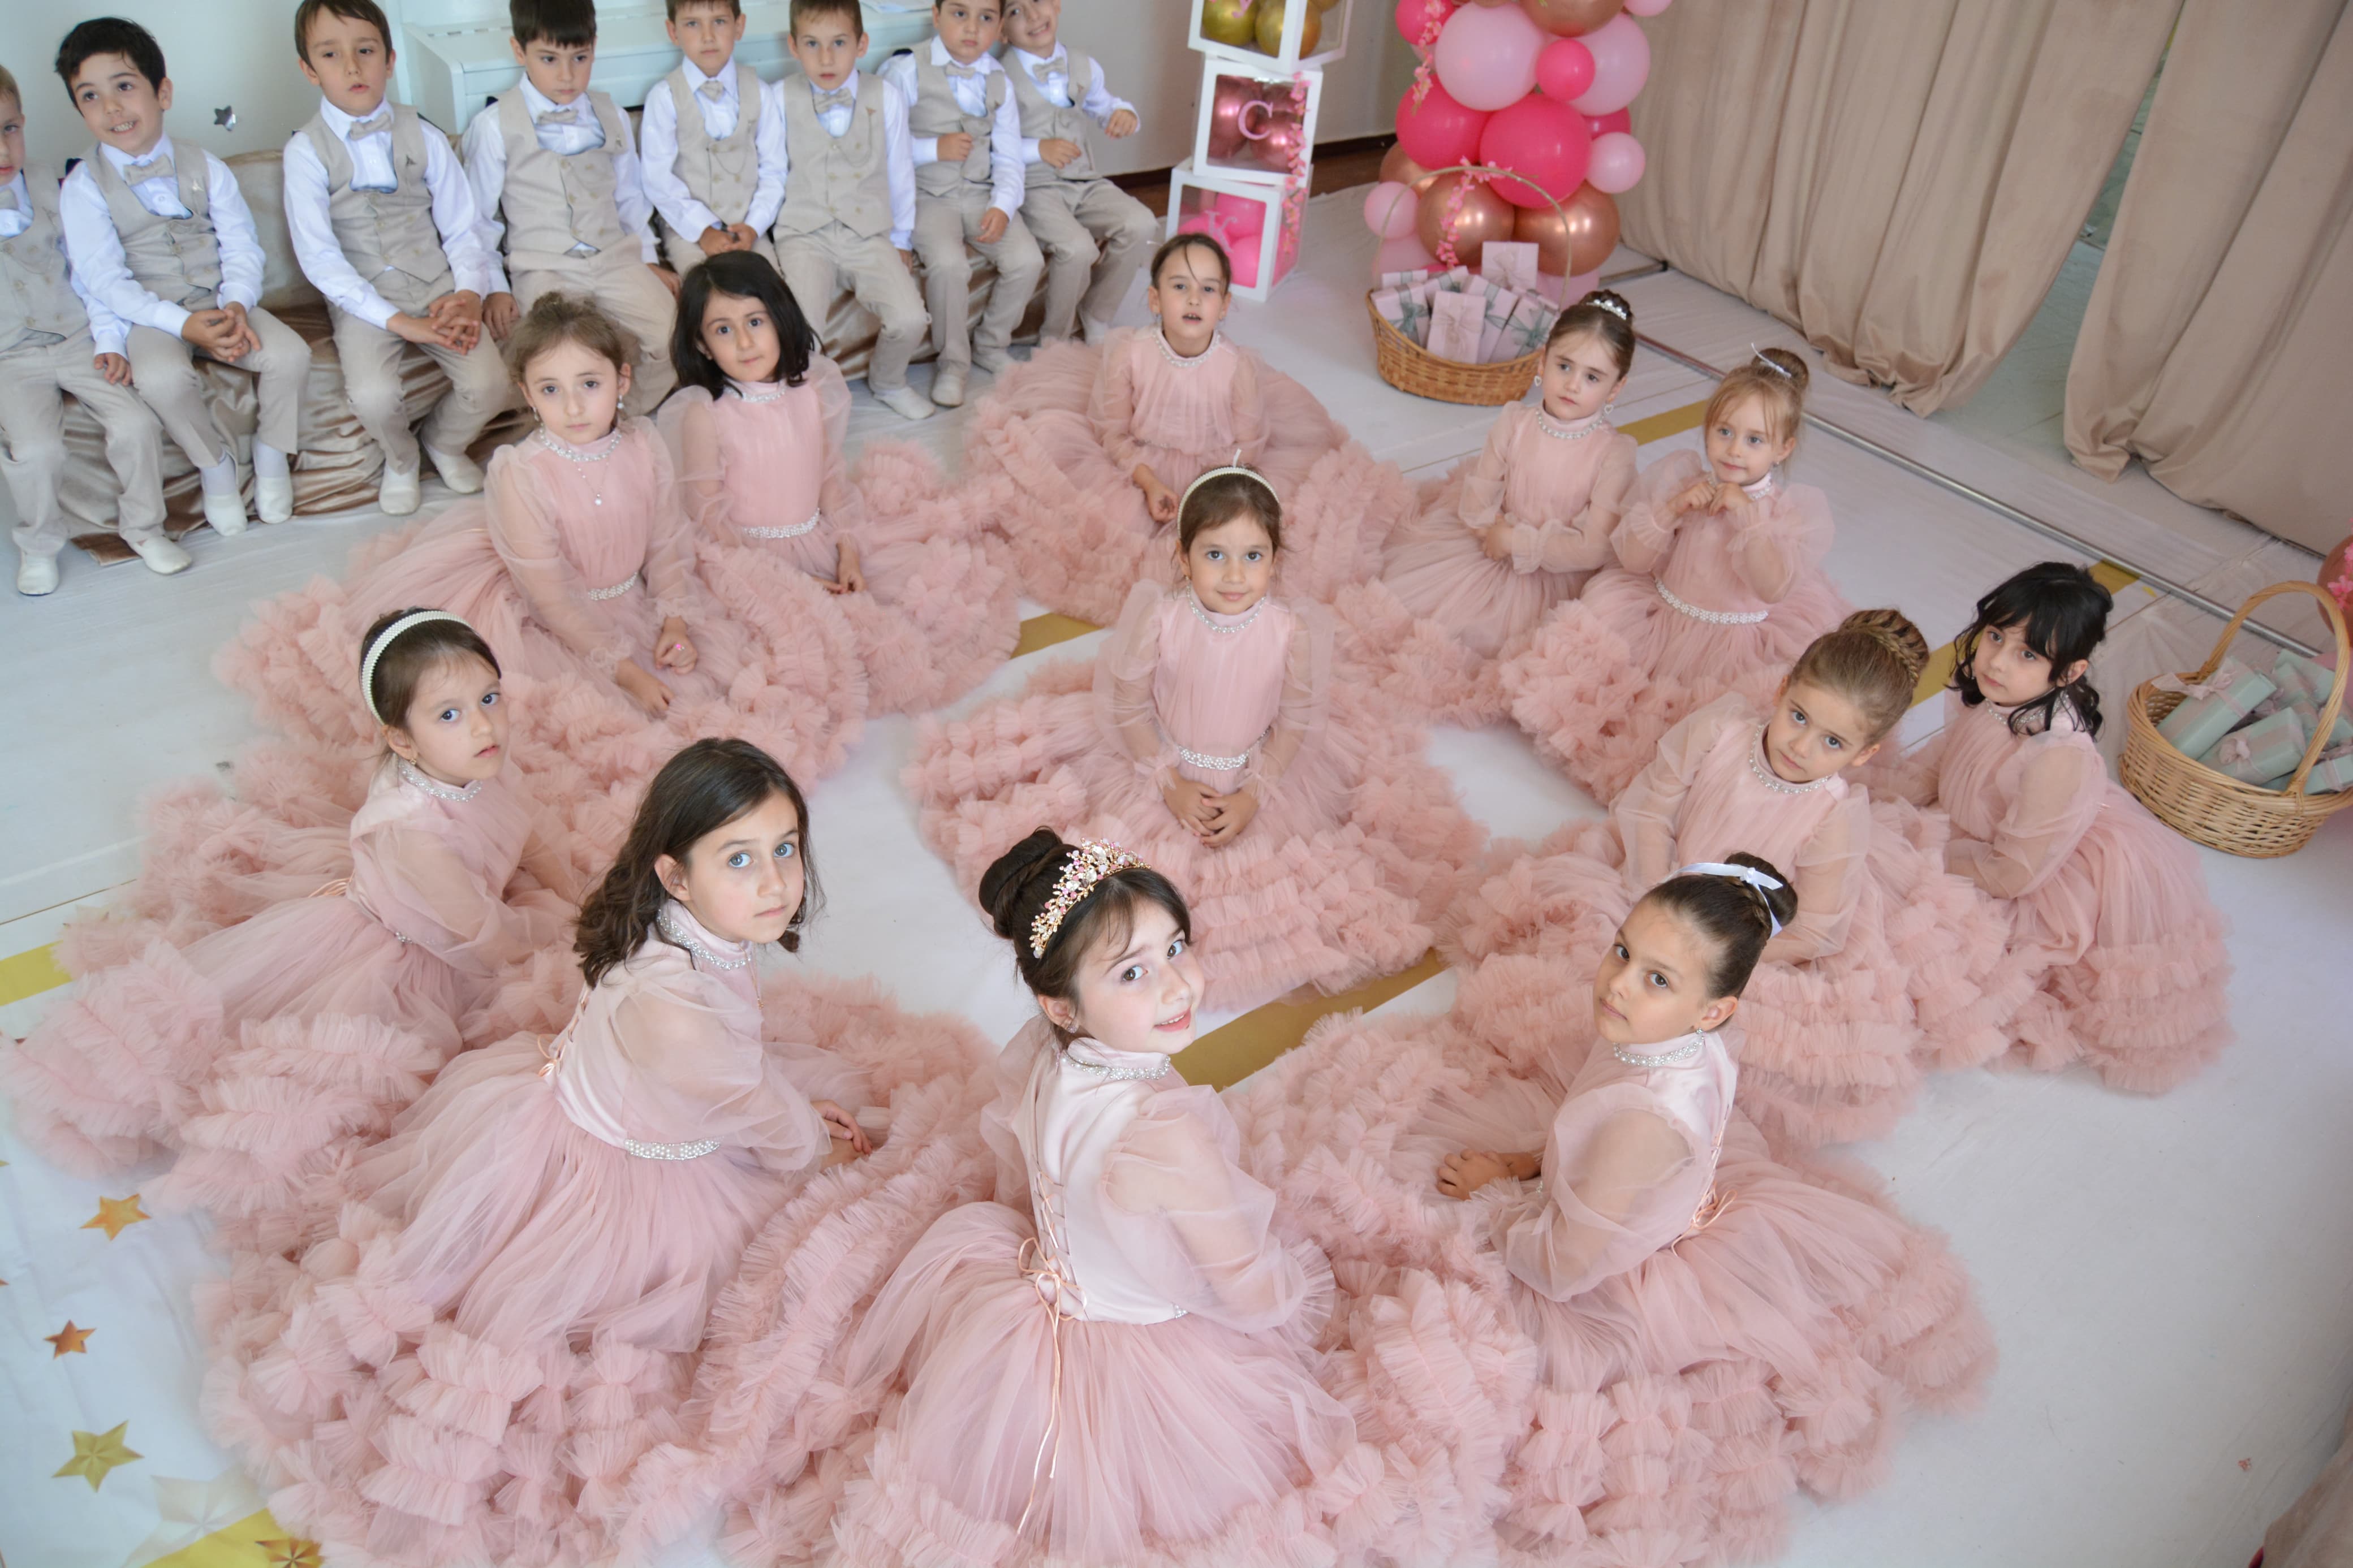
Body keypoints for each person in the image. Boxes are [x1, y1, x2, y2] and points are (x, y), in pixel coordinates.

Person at [202, 740, 883, 1567]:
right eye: (739, 859)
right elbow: (758, 1112)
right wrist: (814, 1148)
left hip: (578, 1101)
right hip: (626, 1170)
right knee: (777, 1281)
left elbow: (736, 1074)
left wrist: (784, 1101)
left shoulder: (668, 929)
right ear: (675, 876)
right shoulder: (677, 1016)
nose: (775, 881)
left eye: (785, 848)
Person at [1235, 859, 1995, 1564]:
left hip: (1589, 1256)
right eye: (1623, 951)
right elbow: (1585, 1126)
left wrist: (1491, 1205)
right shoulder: (1669, 1041)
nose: (1619, 986)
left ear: (1714, 1008)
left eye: (1657, 978)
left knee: (1403, 1305)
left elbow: (1561, 1269)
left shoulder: (1640, 1125)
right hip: (1616, 1187)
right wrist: (1524, 1160)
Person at [725, 828, 1386, 1568]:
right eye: (1132, 973)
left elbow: (1029, 1173)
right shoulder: (1167, 1134)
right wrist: (1291, 1290)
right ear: (1063, 1006)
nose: (1176, 986)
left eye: (1175, 948)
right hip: (1133, 1354)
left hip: (1041, 1301)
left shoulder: (1047, 1054)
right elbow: (1248, 1291)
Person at [3, 611, 578, 1241]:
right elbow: (487, 942)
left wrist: (571, 888)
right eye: (449, 713)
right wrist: (568, 931)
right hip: (411, 948)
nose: (484, 725)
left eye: (490, 698)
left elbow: (525, 826)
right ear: (403, 742)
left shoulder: (476, 759)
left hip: (455, 913)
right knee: (326, 1073)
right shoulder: (416, 837)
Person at [217, 292, 866, 826]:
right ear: (527, 395)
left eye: (590, 384)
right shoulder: (520, 471)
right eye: (550, 390)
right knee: (591, 743)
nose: (574, 406)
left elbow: (666, 541)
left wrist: (672, 617)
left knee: (728, 682)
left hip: (631, 596)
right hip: (553, 614)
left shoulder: (643, 442)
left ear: (622, 381)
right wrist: (623, 670)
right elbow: (551, 598)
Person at [909, 464, 1483, 1010]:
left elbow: (1294, 723)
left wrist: (1254, 793)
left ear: (1275, 559)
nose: (1234, 574)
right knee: (1122, 886)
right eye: (1215, 554)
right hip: (1158, 761)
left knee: (1280, 891)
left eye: (1253, 555)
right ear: (1183, 558)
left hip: (1254, 770)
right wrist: (1169, 782)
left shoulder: (1289, 632)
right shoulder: (1162, 619)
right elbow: (1128, 706)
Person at [1451, 610, 2026, 1148]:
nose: (1801, 746)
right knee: (1589, 963)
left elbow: (1815, 930)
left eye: (1832, 742)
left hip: (1745, 934)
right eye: (1798, 716)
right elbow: (1650, 808)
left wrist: (1713, 951)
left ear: (1863, 753)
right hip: (1665, 881)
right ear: (1781, 691)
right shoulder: (1719, 729)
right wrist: (1658, 900)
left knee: (1713, 1028)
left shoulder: (1832, 817)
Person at [1878, 561, 2234, 1090]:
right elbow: (1943, 760)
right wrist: (1883, 803)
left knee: (1914, 949)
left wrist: (1918, 846)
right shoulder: (1999, 694)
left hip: (2026, 865)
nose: (1996, 661)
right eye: (1995, 636)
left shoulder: (2056, 754)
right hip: (1981, 833)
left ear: (2068, 673)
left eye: (2028, 654)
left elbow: (2011, 874)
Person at [965, 232, 1403, 624]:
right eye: (1180, 287)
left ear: (1224, 304)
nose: (1194, 300)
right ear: (1155, 299)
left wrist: (1206, 492)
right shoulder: (1129, 354)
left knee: (1268, 530)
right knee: (1090, 524)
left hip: (1217, 467)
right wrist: (1148, 480)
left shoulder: (1237, 368)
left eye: (1208, 289)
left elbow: (1247, 447)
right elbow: (1112, 431)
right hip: (1141, 461)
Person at [662, 248, 1018, 712]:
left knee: (907, 613)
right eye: (723, 330)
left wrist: (847, 548)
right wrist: (790, 578)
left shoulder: (810, 389)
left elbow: (828, 478)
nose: (745, 342)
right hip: (746, 558)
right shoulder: (706, 414)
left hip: (817, 539)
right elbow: (710, 519)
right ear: (703, 345)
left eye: (755, 321)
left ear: (780, 319)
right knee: (798, 652)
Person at [1501, 347, 1848, 804]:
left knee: (1699, 740)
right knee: (1591, 686)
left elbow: (1771, 587)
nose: (1734, 450)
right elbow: (1634, 560)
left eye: (1755, 440)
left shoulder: (1784, 513)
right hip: (1659, 616)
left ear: (1783, 448)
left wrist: (1748, 518)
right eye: (1724, 432)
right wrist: (1671, 510)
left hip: (1732, 641)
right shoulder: (1685, 480)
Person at [57, 16, 311, 540]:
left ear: (163, 93)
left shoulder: (207, 165)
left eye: (124, 87)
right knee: (162, 379)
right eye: (91, 96)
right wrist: (179, 324)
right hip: (151, 314)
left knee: (291, 354)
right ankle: (215, 465)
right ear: (80, 110)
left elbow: (242, 246)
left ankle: (271, 453)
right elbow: (105, 279)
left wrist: (237, 303)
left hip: (219, 298)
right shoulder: (83, 187)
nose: (112, 108)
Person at [1336, 290, 1640, 725]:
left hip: (1555, 570)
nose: (1573, 384)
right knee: (1417, 611)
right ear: (1542, 362)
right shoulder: (1516, 422)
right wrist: (1488, 529)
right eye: (1564, 366)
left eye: (1593, 377)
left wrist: (1518, 542)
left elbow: (1593, 546)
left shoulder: (1613, 453)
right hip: (1490, 544)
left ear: (1617, 387)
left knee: (1495, 648)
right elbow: (1479, 494)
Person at [283, 0, 507, 515]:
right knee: (373, 395)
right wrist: (399, 322)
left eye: (365, 51)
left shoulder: (425, 135)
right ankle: (401, 459)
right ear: (309, 70)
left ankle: (443, 443)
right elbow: (320, 258)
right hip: (363, 295)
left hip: (436, 283)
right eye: (331, 55)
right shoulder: (305, 152)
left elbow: (462, 227)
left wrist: (469, 293)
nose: (352, 67)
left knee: (490, 383)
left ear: (389, 60)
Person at [461, 0, 679, 414]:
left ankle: (622, 421)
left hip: (615, 258)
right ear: (519, 51)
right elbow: (478, 220)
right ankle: (572, 428)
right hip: (543, 266)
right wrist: (495, 287)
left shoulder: (611, 114)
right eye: (549, 59)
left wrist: (648, 259)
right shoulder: (493, 126)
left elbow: (629, 197)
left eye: (580, 58)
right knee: (554, 354)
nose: (566, 75)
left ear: (594, 47)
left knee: (673, 336)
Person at [0, 63, 169, 591]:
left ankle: (145, 528)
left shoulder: (55, 186)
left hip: (77, 338)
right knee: (37, 451)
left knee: (136, 424)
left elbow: (90, 273)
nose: (3, 150)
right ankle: (39, 544)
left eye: (9, 129)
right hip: (11, 355)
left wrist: (108, 338)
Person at [769, 0, 934, 421]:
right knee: (801, 328)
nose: (826, 58)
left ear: (862, 45)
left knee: (911, 318)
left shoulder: (887, 96)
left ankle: (889, 381)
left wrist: (900, 238)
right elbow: (771, 173)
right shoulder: (779, 97)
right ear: (793, 46)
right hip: (805, 233)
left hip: (867, 232)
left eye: (839, 43)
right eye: (812, 44)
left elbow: (900, 172)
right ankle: (802, 402)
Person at [998, 0, 1154, 348]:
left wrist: (1123, 114)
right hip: (1034, 186)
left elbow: (1105, 105)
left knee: (1141, 223)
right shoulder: (999, 78)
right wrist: (1037, 149)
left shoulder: (1084, 64)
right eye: (1016, 11)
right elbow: (989, 144)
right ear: (1001, 31)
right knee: (1077, 248)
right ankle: (1053, 337)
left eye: (1038, 2)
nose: (1033, 16)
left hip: (1083, 179)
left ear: (1056, 5)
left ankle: (1097, 312)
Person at [638, 0, 786, 276]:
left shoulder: (760, 93)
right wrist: (703, 230)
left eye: (719, 21)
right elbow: (658, 179)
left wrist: (754, 226)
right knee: (703, 287)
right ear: (673, 32)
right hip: (686, 229)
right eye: (693, 24)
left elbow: (774, 170)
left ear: (739, 26)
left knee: (771, 286)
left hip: (747, 226)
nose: (708, 36)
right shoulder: (665, 97)